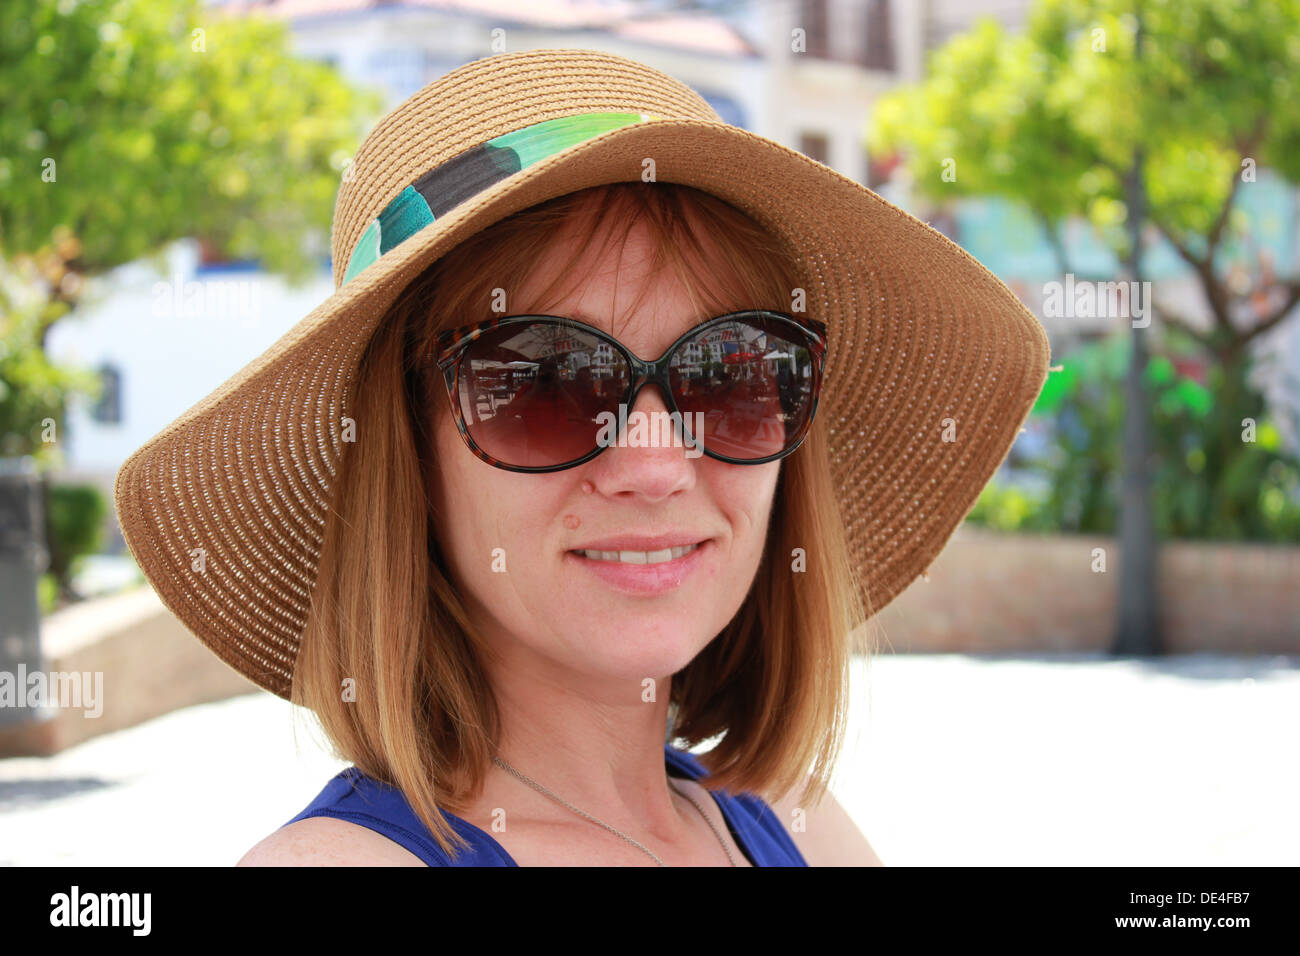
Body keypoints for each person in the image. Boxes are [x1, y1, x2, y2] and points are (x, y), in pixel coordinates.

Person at [114, 50, 1050, 867]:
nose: (654, 462)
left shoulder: (793, 823)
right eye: (546, 383)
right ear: (406, 455)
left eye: (731, 373)